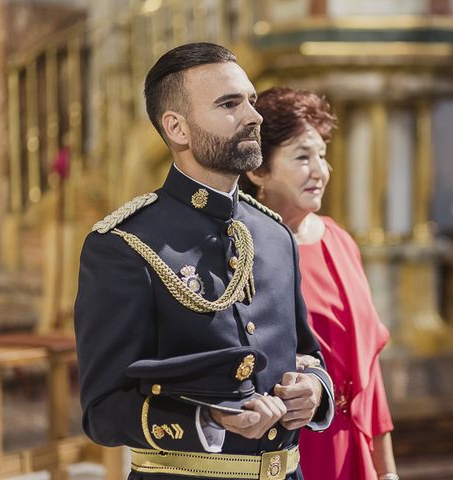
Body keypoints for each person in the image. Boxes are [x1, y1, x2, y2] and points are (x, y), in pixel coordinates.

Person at [74, 43, 334, 480]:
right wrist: (207, 421)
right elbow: (101, 409)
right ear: (177, 128)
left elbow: (306, 354)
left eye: (251, 101)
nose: (254, 117)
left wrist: (314, 392)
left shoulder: (273, 235)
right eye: (229, 104)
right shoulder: (124, 243)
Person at [240, 87, 398, 480]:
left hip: (353, 447)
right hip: (291, 448)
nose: (320, 170)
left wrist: (387, 470)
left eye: (322, 155)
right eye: (302, 156)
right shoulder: (242, 251)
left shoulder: (338, 239)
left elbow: (369, 374)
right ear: (259, 170)